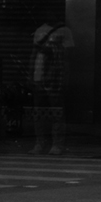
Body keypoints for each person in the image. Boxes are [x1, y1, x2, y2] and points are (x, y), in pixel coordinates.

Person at [30, 20, 73, 155]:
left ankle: (57, 144)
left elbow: (68, 56)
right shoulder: (39, 30)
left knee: (56, 112)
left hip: (55, 79)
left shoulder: (64, 31)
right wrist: (31, 74)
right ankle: (40, 142)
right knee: (39, 112)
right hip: (39, 77)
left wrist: (67, 76)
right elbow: (34, 53)